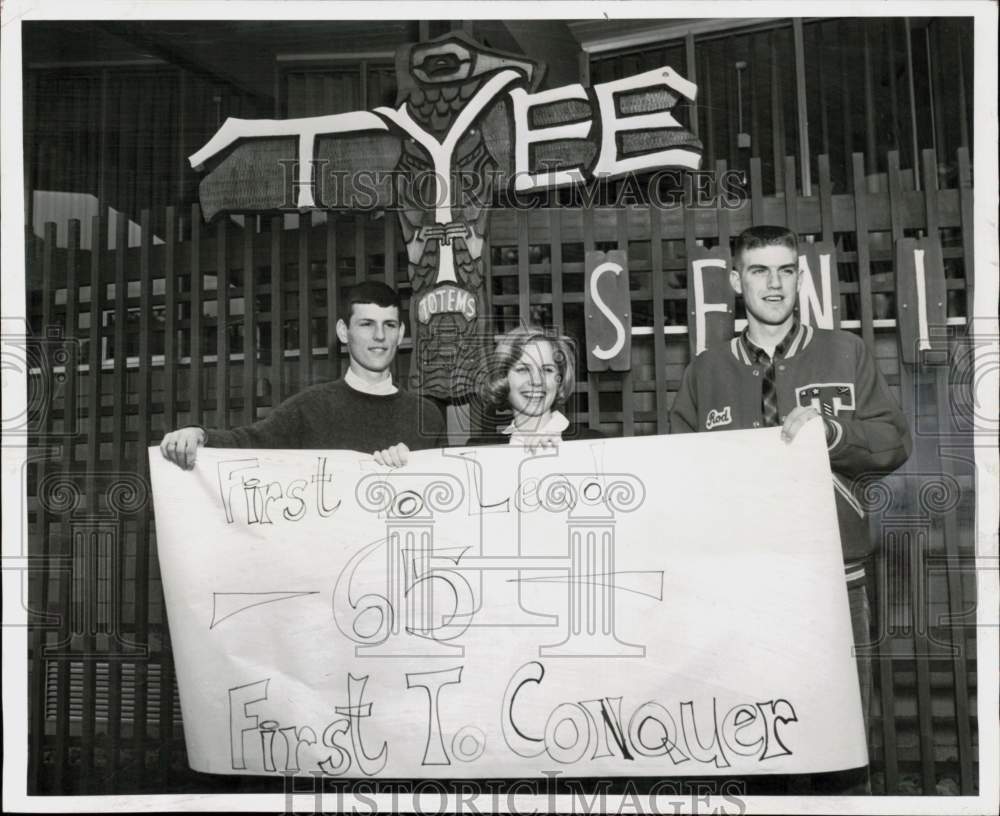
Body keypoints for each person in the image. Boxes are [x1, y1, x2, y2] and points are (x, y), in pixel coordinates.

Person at [669, 224, 911, 793]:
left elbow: (895, 441)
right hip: (740, 584)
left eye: (784, 270)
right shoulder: (706, 370)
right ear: (735, 281)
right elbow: (678, 475)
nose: (773, 285)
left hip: (834, 580)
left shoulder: (845, 351)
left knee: (840, 739)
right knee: (752, 740)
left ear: (800, 277)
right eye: (758, 271)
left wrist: (833, 431)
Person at [160, 280, 445, 468]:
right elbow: (248, 443)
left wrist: (411, 473)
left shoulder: (427, 415)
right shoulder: (310, 408)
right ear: (344, 332)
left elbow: (453, 500)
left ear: (402, 333)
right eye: (367, 324)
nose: (380, 336)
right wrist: (199, 435)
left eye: (390, 325)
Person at [465, 327, 603, 449]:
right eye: (523, 369)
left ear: (559, 381)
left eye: (547, 370)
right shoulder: (480, 451)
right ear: (503, 378)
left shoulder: (594, 444)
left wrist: (563, 455)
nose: (537, 381)